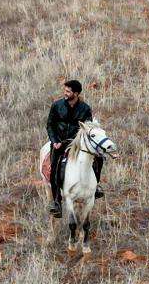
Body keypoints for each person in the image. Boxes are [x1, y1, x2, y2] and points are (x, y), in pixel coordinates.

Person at [46, 79, 103, 215]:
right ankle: (57, 201)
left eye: (68, 91)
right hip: (60, 142)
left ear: (76, 94)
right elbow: (50, 125)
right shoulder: (56, 105)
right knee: (54, 168)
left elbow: (88, 128)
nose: (65, 93)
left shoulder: (85, 108)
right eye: (65, 90)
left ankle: (95, 187)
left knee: (99, 159)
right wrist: (54, 140)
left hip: (78, 143)